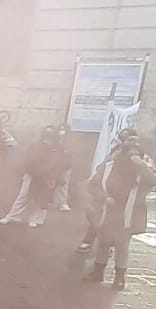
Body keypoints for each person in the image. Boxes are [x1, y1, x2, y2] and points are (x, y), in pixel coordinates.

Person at [84, 140, 156, 289]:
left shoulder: (141, 170)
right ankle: (98, 272)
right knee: (103, 241)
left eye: (136, 155)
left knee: (121, 244)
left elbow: (151, 181)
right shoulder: (109, 167)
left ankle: (119, 278)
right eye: (129, 154)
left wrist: (140, 164)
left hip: (128, 213)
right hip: (107, 210)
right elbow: (92, 185)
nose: (132, 158)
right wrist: (104, 198)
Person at [78, 128, 139, 252]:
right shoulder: (111, 161)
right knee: (98, 218)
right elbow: (93, 184)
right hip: (105, 200)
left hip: (123, 203)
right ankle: (89, 241)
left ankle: (109, 245)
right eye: (124, 140)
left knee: (117, 226)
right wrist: (104, 197)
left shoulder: (138, 162)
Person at [0, 126, 68, 228]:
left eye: (51, 135)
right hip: (33, 174)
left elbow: (59, 162)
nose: (48, 139)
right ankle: (13, 216)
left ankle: (36, 219)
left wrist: (54, 175)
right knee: (23, 195)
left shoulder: (58, 148)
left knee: (43, 198)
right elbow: (29, 158)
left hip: (48, 175)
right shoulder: (36, 145)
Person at [53, 123, 73, 211]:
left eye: (63, 129)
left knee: (64, 184)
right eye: (60, 129)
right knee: (55, 183)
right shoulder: (55, 140)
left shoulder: (69, 141)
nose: (62, 131)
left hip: (65, 166)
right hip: (55, 165)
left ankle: (63, 203)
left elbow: (69, 153)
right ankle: (56, 202)